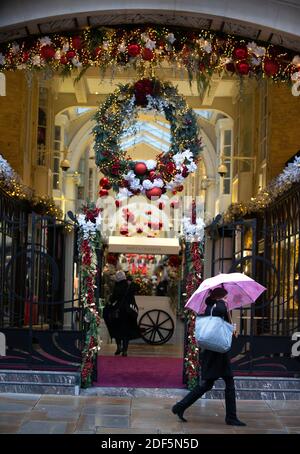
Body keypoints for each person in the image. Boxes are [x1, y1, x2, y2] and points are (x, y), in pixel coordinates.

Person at [172, 287, 246, 426]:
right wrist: (224, 303)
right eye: (225, 296)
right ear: (219, 297)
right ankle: (231, 417)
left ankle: (180, 406)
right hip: (218, 353)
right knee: (225, 382)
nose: (226, 299)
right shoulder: (218, 307)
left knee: (208, 384)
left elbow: (222, 322)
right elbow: (221, 313)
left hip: (214, 352)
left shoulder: (211, 306)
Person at [103, 270, 140, 356]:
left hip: (118, 312)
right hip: (129, 312)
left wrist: (108, 305)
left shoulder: (117, 286)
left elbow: (113, 299)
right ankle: (125, 350)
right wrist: (131, 281)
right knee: (126, 331)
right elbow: (138, 287)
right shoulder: (130, 285)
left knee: (117, 330)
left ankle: (119, 347)